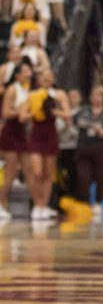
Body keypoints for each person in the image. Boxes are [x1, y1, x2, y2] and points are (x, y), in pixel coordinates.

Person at [23, 67, 71, 221]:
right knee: (36, 172)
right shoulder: (32, 95)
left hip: (51, 135)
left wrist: (55, 111)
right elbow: (22, 116)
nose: (46, 79)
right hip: (36, 135)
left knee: (48, 174)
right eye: (43, 77)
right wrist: (36, 111)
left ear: (53, 79)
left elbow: (68, 115)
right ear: (38, 79)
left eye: (49, 76)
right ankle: (37, 204)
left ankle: (44, 205)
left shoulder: (59, 94)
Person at [73, 85, 103, 219]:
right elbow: (74, 121)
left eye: (100, 95)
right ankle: (85, 202)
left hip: (102, 148)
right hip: (84, 148)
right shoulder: (83, 111)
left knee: (102, 176)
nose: (96, 98)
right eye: (94, 95)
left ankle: (99, 202)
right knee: (83, 177)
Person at [0, 58, 32, 221]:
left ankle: (37, 205)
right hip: (11, 132)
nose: (29, 73)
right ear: (18, 75)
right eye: (26, 71)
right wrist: (20, 110)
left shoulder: (27, 90)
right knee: (11, 171)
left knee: (29, 168)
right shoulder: (12, 89)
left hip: (22, 133)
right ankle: (1, 202)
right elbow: (5, 113)